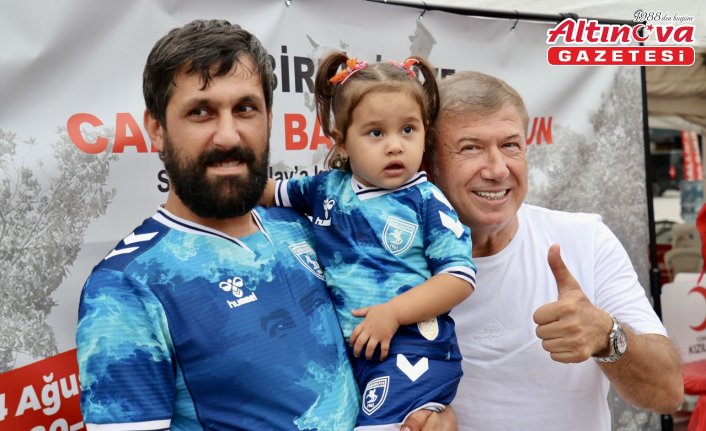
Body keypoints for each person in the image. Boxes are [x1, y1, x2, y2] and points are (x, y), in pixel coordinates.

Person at [75, 19, 449, 431]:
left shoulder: (304, 226)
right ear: (157, 129)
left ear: (269, 118)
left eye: (245, 109)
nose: (228, 136)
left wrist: (427, 416)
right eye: (200, 112)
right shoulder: (126, 287)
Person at [425, 70, 684, 430]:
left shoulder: (585, 240)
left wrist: (607, 337)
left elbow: (668, 392)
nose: (498, 170)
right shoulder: (391, 262)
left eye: (510, 145)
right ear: (429, 163)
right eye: (471, 148)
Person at [261, 52, 475, 429]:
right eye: (376, 133)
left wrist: (393, 313)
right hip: (354, 357)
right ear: (342, 142)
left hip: (413, 352)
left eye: (407, 130)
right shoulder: (325, 189)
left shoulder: (426, 200)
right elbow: (265, 192)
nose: (395, 146)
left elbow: (459, 278)